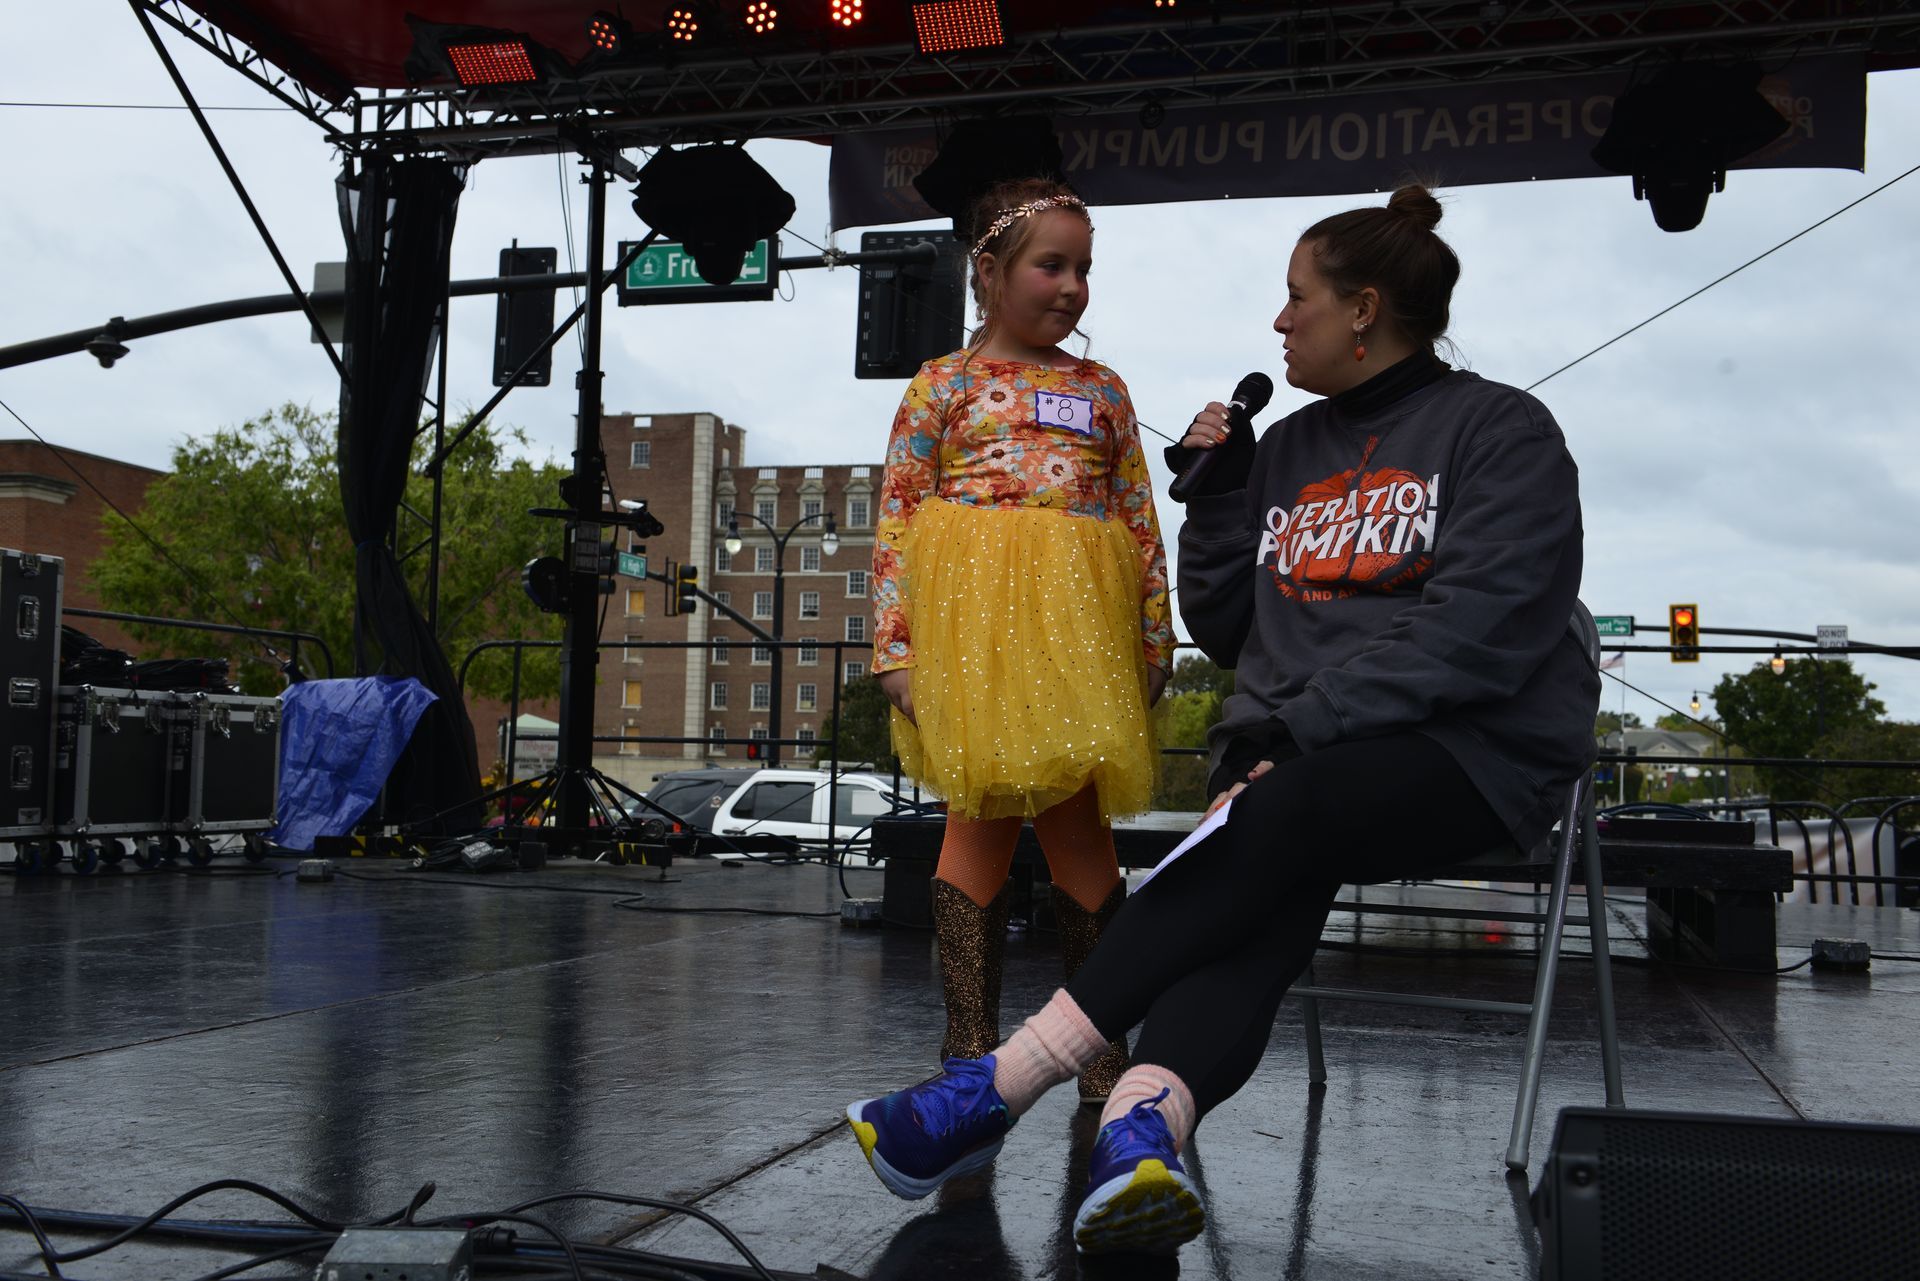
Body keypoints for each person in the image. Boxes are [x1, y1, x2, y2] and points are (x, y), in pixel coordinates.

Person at [846, 183, 1599, 1254]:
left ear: (1364, 310)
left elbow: (1487, 626)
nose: (1280, 322)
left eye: (1298, 300)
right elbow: (1233, 626)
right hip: (1292, 767)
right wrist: (1221, 500)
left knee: (1282, 815)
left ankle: (996, 1089)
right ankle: (1141, 1132)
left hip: (1460, 751)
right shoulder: (1285, 448)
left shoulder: (1497, 428)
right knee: (1259, 902)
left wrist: (1295, 734)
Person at [870, 175, 1174, 1102]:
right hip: (977, 642)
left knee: (1081, 826)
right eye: (1052, 264)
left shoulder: (1104, 389)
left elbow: (1138, 518)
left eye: (1084, 268)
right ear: (990, 271)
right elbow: (896, 518)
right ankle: (970, 1048)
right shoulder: (942, 385)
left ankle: (1098, 1050)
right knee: (979, 819)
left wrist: (1153, 639)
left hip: (1077, 641)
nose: (1073, 285)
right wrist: (896, 651)